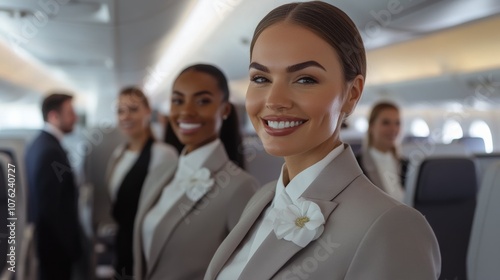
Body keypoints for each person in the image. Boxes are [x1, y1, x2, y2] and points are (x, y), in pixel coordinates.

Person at [204, 2, 441, 279]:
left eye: (305, 79)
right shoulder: (262, 198)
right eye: (260, 78)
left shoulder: (391, 226)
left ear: (352, 94)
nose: (274, 100)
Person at [133, 64, 259, 280]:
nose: (186, 112)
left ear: (225, 110)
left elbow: (245, 271)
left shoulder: (241, 187)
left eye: (202, 101)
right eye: (178, 100)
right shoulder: (160, 173)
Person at [105, 86, 178, 277]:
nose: (125, 117)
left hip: (149, 248)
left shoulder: (163, 154)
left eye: (133, 110)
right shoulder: (119, 154)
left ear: (148, 112)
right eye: (120, 111)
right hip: (122, 246)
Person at [25, 93, 82, 280]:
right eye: (70, 112)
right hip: (55, 252)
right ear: (53, 116)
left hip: (50, 249)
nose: (75, 117)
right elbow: (49, 209)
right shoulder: (50, 151)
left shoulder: (40, 144)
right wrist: (69, 248)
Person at [356, 102, 408, 202]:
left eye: (397, 123)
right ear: (371, 126)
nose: (393, 129)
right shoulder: (356, 164)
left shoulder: (406, 164)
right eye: (386, 123)